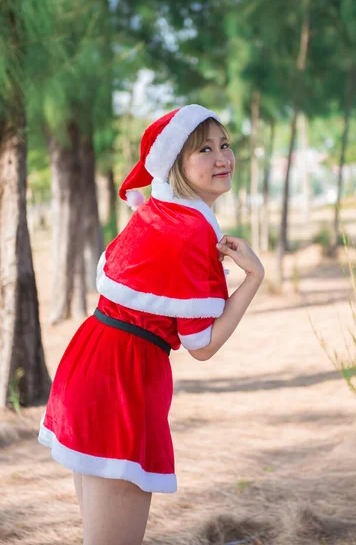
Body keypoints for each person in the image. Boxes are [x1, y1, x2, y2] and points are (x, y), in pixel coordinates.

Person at [38, 104, 265, 545]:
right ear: (176, 163)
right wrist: (253, 277)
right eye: (204, 149)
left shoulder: (165, 213)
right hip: (121, 379)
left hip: (94, 361)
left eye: (225, 145)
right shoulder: (191, 230)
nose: (222, 158)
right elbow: (201, 344)